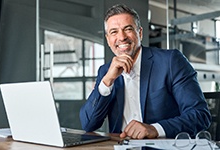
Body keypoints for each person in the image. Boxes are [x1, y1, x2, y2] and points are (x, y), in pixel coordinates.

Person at [79, 4, 211, 139]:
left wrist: (155, 129)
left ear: (140, 33)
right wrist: (107, 81)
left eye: (128, 29)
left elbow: (200, 115)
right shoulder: (105, 71)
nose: (122, 37)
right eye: (114, 32)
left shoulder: (170, 61)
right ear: (108, 40)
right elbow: (88, 124)